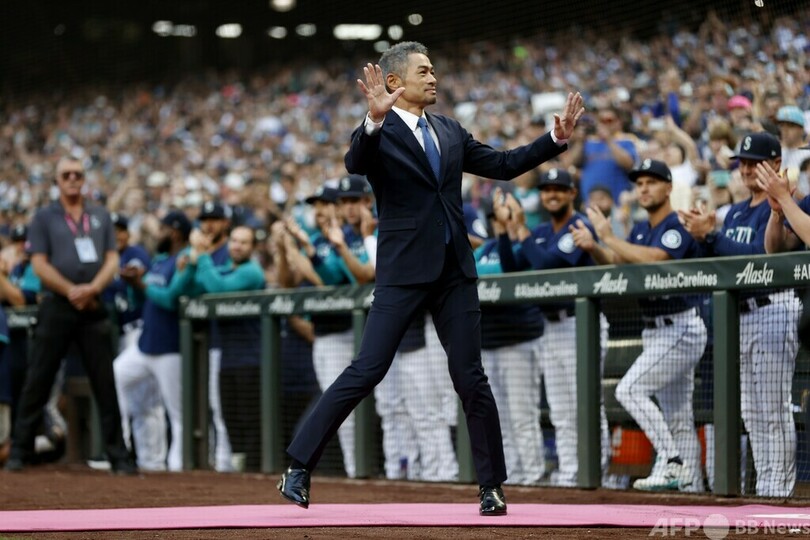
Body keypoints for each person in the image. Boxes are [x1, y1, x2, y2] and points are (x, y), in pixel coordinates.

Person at [277, 41, 583, 516]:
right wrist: (374, 119)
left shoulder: (449, 130)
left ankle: (491, 487)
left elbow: (502, 165)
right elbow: (355, 163)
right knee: (368, 368)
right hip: (402, 272)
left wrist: (554, 139)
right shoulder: (377, 131)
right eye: (424, 70)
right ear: (394, 82)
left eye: (434, 69)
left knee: (470, 378)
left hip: (455, 272)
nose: (434, 77)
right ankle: (298, 466)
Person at [572, 159, 707, 492]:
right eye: (640, 183)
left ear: (668, 187)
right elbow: (619, 261)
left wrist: (608, 237)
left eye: (652, 181)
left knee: (629, 390)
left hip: (680, 326)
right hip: (657, 329)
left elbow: (657, 259)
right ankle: (693, 490)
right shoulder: (641, 229)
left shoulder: (676, 224)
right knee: (676, 417)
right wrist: (596, 247)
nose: (644, 188)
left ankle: (673, 462)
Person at [681, 132, 799, 497]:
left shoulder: (788, 203)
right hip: (740, 315)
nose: (746, 168)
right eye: (742, 162)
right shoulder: (733, 211)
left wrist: (712, 236)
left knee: (772, 408)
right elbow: (717, 265)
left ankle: (778, 487)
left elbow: (761, 258)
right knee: (750, 410)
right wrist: (702, 238)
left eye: (754, 161)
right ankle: (766, 484)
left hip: (772, 307)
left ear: (776, 163)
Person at [5, 156, 135, 474]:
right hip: (57, 304)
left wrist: (91, 289)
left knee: (104, 381)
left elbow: (110, 260)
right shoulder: (44, 217)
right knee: (39, 378)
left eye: (78, 174)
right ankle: (19, 451)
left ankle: (118, 456)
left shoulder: (100, 215)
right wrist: (71, 290)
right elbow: (39, 263)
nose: (73, 179)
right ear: (57, 181)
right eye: (67, 175)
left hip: (92, 305)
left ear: (84, 179)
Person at [495, 169, 611, 487]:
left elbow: (549, 268)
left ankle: (597, 469)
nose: (552, 194)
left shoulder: (580, 226)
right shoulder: (543, 230)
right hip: (552, 326)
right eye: (547, 190)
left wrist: (520, 230)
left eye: (560, 189)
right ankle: (572, 471)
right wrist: (506, 231)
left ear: (573, 193)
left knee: (585, 401)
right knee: (560, 408)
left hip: (580, 323)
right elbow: (511, 269)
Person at [114, 210, 194, 472]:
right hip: (145, 344)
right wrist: (134, 285)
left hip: (171, 346)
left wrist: (143, 285)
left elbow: (170, 298)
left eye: (161, 229)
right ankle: (133, 453)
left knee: (178, 412)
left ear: (174, 232)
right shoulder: (160, 260)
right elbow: (143, 300)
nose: (157, 234)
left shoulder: (185, 258)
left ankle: (178, 465)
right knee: (116, 375)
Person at [475, 195, 545, 486]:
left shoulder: (530, 243)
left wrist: (506, 233)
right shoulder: (485, 248)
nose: (500, 220)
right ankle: (512, 475)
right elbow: (472, 274)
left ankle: (533, 475)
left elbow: (510, 268)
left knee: (522, 414)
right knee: (498, 417)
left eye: (507, 213)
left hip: (518, 339)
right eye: (496, 217)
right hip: (488, 341)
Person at [190, 225, 265, 471]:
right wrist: (192, 263)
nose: (236, 245)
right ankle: (239, 468)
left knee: (249, 418)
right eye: (234, 240)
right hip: (228, 357)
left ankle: (254, 470)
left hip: (251, 358)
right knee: (230, 417)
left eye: (244, 242)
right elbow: (197, 284)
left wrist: (201, 256)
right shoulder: (225, 269)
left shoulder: (252, 272)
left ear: (252, 248)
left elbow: (218, 288)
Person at [104, 213, 164, 471]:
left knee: (146, 402)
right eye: (112, 230)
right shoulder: (103, 258)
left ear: (128, 234)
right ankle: (129, 453)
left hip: (139, 330)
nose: (117, 235)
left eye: (121, 230)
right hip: (120, 334)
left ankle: (152, 460)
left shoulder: (134, 252)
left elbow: (136, 271)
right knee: (129, 395)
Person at [195, 200, 234, 472]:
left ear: (225, 223)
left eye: (215, 219)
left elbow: (216, 288)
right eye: (204, 219)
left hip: (229, 342)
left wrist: (201, 256)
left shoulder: (231, 252)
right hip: (203, 341)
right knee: (206, 407)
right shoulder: (200, 252)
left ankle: (225, 464)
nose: (208, 224)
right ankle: (216, 459)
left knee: (222, 409)